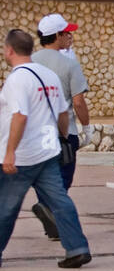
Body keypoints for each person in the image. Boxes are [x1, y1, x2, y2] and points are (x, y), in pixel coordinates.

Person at [0, 29, 91, 269]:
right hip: (48, 151)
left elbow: (20, 116)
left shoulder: (17, 79)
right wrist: (61, 136)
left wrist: (10, 152)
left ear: (9, 50)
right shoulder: (48, 76)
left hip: (22, 156)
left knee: (5, 207)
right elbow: (62, 113)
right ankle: (77, 248)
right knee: (60, 201)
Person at [30, 14, 90, 242]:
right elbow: (77, 101)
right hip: (64, 132)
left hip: (36, 133)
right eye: (66, 33)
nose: (70, 37)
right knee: (63, 180)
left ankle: (50, 221)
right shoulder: (69, 64)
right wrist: (88, 127)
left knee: (44, 177)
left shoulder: (30, 63)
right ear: (56, 36)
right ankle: (50, 212)